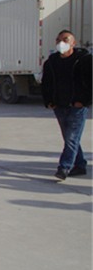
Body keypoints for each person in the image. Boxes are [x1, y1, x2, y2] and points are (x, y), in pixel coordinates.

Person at [42, 29, 91, 180]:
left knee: (71, 138)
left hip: (77, 106)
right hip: (59, 106)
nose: (61, 43)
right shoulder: (51, 62)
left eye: (65, 40)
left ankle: (64, 167)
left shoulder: (84, 60)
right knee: (70, 138)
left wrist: (84, 101)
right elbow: (46, 83)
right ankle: (80, 164)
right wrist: (49, 101)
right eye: (58, 40)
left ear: (73, 43)